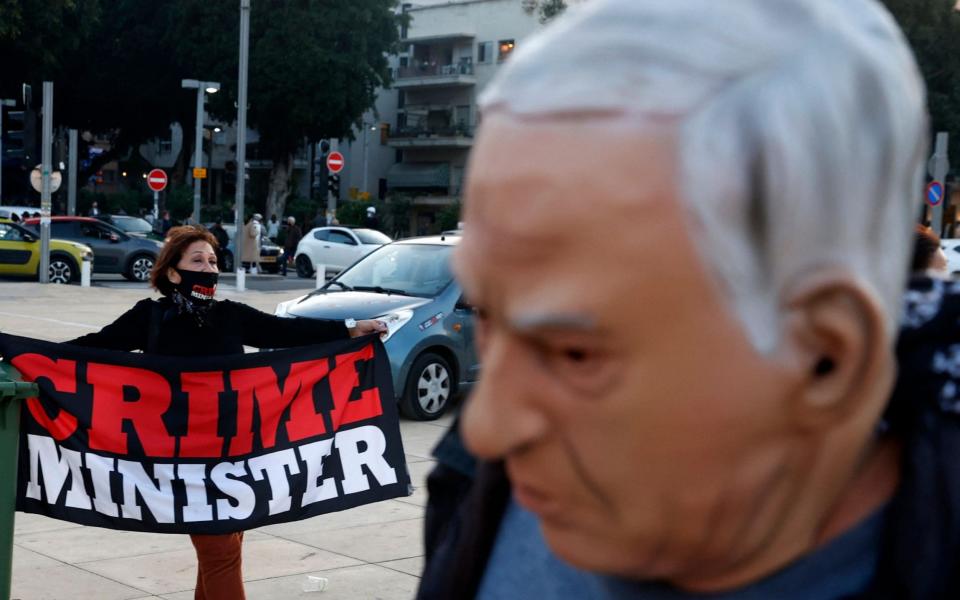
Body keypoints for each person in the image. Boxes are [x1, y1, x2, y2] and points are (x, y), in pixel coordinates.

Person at [416, 1, 960, 598]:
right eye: (488, 317)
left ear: (827, 357)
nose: (487, 430)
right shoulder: (482, 491)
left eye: (575, 355)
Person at [66, 225, 386, 600]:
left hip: (236, 454)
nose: (208, 268)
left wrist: (350, 331)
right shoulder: (150, 317)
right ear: (172, 272)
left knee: (222, 551)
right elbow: (93, 349)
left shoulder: (230, 315)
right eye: (197, 260)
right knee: (220, 552)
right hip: (180, 459)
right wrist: (26, 357)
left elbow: (288, 332)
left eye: (214, 261)